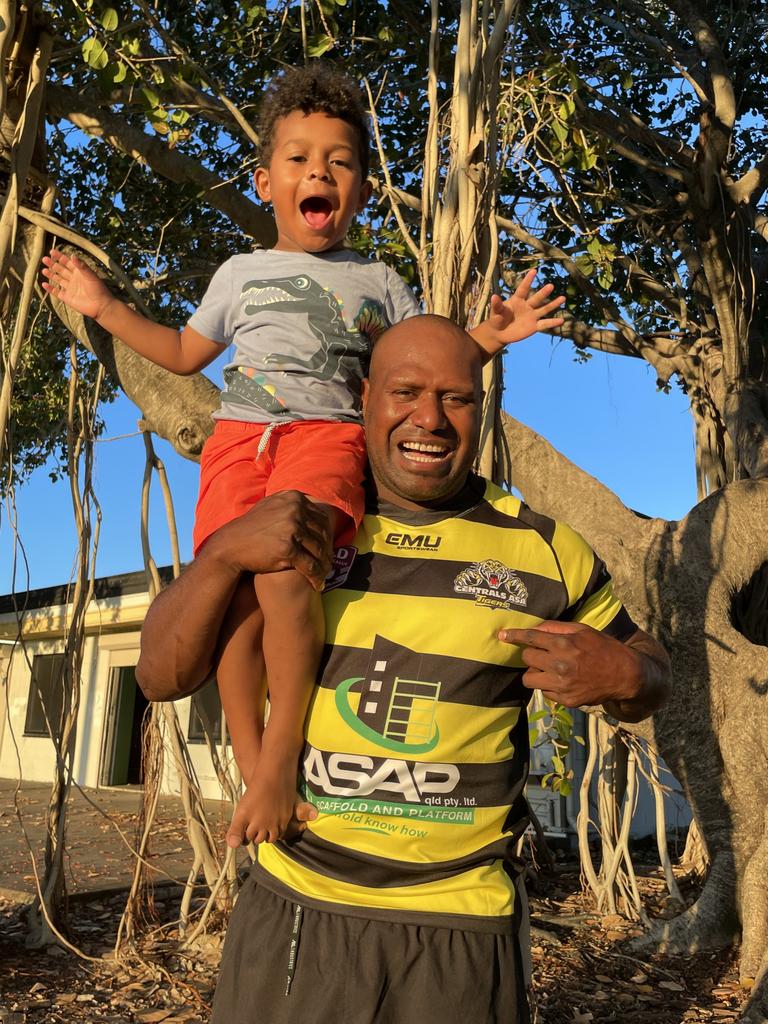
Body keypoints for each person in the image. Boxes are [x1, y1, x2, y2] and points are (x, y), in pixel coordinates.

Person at [42, 65, 566, 847]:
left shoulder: (378, 281)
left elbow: (423, 364)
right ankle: (259, 778)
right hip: (236, 446)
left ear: (357, 192)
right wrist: (104, 305)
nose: (319, 171)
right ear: (264, 182)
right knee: (234, 609)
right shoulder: (238, 276)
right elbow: (186, 354)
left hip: (326, 440)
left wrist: (490, 336)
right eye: (299, 158)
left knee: (289, 576)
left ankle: (283, 753)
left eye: (340, 161)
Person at [136, 315, 671, 1024]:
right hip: (298, 911)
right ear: (363, 397)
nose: (430, 419)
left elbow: (652, 671)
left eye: (457, 398)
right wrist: (223, 555)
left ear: (481, 408)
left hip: (461, 926)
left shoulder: (545, 549)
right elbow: (159, 679)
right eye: (406, 391)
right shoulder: (300, 521)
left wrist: (631, 677)